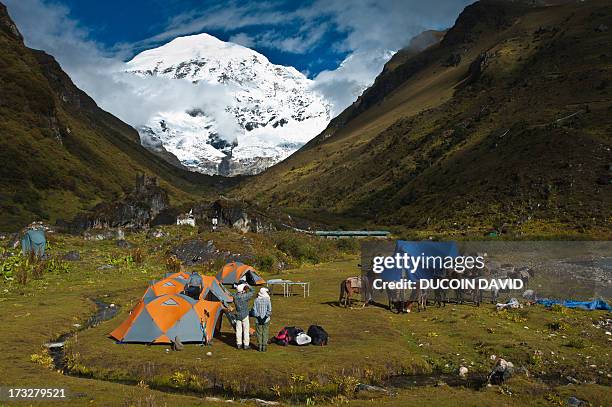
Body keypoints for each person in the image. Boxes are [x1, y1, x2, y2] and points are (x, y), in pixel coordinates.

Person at [233, 283, 253, 350]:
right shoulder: (245, 296)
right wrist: (249, 286)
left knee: (238, 330)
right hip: (245, 314)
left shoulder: (235, 297)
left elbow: (235, 294)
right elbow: (252, 292)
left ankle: (239, 344)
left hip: (238, 315)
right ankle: (246, 345)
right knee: (246, 330)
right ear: (243, 290)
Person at [252, 287, 272, 352]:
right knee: (265, 332)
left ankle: (260, 346)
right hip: (266, 319)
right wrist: (265, 317)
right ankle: (264, 346)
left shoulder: (256, 300)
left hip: (258, 320)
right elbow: (269, 310)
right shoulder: (267, 299)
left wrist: (258, 317)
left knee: (259, 333)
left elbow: (254, 310)